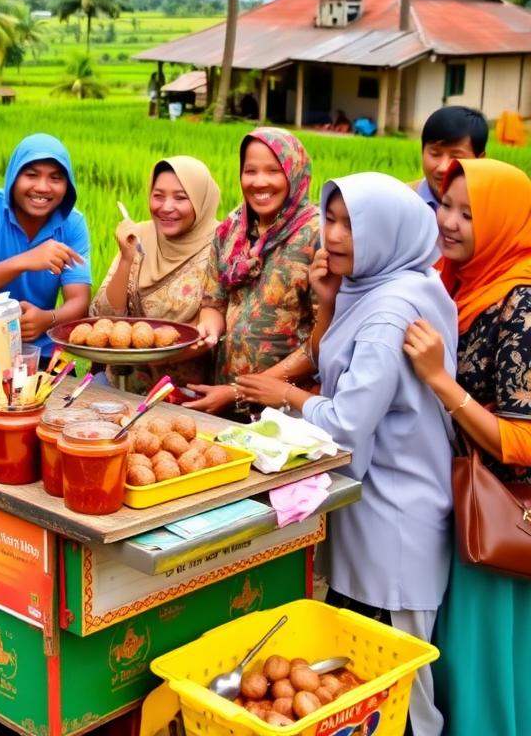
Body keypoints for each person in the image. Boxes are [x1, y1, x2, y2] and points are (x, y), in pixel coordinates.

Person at [237, 173, 457, 736]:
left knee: (391, 684)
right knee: (361, 682)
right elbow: (350, 377)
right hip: (384, 508)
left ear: (387, 230)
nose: (331, 236)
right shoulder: (399, 283)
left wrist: (285, 394)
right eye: (329, 219)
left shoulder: (388, 313)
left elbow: (347, 424)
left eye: (350, 224)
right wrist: (331, 304)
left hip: (392, 523)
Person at [402, 158, 531, 736]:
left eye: (468, 213)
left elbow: (523, 440)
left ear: (504, 222)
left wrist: (440, 381)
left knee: (481, 663)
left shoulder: (520, 303)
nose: (447, 221)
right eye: (444, 204)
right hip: (457, 497)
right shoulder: (461, 282)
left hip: (499, 508)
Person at [187, 128, 318, 418]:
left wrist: (241, 391)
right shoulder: (232, 229)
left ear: (295, 173)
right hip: (223, 393)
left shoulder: (316, 236)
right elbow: (213, 302)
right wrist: (209, 328)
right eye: (250, 171)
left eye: (273, 171)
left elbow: (325, 338)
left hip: (288, 407)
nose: (260, 182)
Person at [0, 133, 91, 355]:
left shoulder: (72, 223)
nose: (43, 187)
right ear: (13, 177)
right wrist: (24, 261)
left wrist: (48, 319)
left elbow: (79, 300)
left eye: (55, 178)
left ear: (67, 184)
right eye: (31, 175)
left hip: (43, 353)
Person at [89, 157, 220, 394]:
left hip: (186, 392)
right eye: (158, 195)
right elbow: (104, 318)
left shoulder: (221, 245)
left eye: (180, 197)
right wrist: (126, 258)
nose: (166, 207)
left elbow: (214, 323)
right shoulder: (137, 237)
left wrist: (151, 353)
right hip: (121, 382)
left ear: (201, 200)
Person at [411, 105, 487, 209]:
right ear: (422, 151)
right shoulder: (402, 200)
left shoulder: (490, 210)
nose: (443, 168)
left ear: (480, 160)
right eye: (435, 154)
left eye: (456, 156)